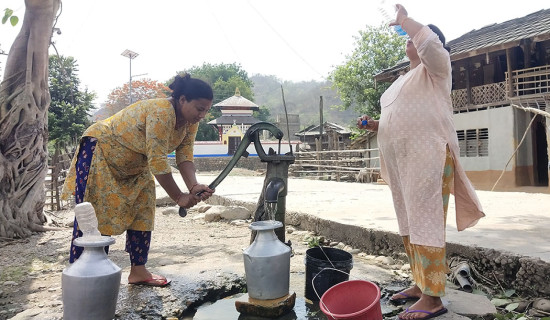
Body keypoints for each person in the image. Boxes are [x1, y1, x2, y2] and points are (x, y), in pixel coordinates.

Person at [357, 4, 485, 320]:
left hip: (428, 158)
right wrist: (375, 125)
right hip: (402, 163)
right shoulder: (406, 78)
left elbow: (428, 42)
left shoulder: (438, 69)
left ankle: (433, 298)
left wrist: (404, 20)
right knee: (409, 223)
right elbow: (399, 118)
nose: (410, 39)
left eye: (415, 36)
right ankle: (420, 284)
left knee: (425, 222)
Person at [61, 73, 215, 287]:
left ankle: (139, 271)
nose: (202, 115)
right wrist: (179, 196)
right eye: (200, 109)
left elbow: (184, 156)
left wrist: (193, 186)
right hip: (102, 152)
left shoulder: (190, 122)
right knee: (94, 213)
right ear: (182, 100)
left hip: (136, 163)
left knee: (143, 209)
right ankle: (85, 272)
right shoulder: (162, 111)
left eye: (206, 110)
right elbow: (158, 158)